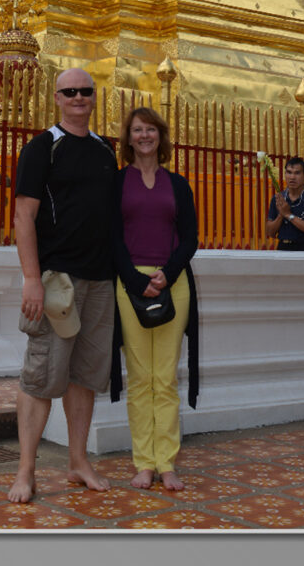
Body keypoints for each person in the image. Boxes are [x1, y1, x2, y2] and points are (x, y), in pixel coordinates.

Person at [7, 67, 118, 503]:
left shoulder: (105, 151)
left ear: (94, 97)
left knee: (85, 376)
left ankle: (77, 461)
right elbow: (23, 217)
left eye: (85, 92)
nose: (78, 98)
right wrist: (31, 279)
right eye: (69, 92)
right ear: (56, 97)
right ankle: (26, 470)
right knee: (42, 374)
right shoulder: (42, 148)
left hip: (100, 280)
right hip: (57, 280)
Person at [110, 107, 199, 492]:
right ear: (128, 139)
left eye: (151, 130)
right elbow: (110, 237)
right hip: (130, 283)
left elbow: (190, 237)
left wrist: (168, 272)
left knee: (165, 377)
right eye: (137, 130)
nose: (144, 136)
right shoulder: (115, 183)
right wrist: (134, 279)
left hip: (171, 283)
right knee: (140, 377)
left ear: (160, 138)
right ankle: (143, 462)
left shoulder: (178, 184)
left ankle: (167, 463)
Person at [265, 156, 304, 250]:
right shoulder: (278, 199)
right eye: (289, 172)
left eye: (297, 173)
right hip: (283, 247)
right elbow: (270, 232)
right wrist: (281, 214)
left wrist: (289, 215)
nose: (292, 177)